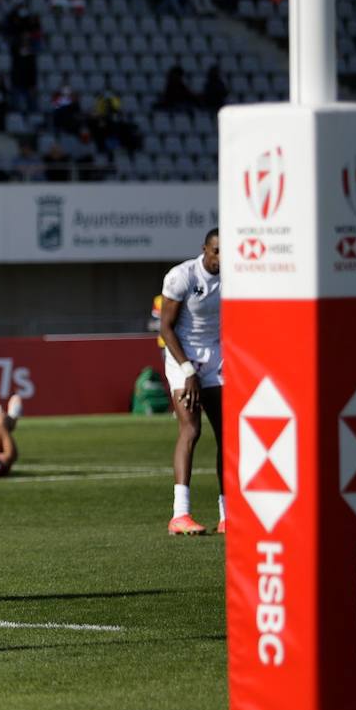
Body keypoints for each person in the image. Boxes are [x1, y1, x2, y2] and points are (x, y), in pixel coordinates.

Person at [158, 228, 223, 535]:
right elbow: (166, 328)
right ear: (205, 250)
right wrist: (187, 370)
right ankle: (179, 515)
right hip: (182, 355)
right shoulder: (182, 276)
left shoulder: (237, 276)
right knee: (192, 429)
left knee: (229, 436)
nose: (221, 258)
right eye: (216, 251)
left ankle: (228, 516)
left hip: (218, 356)